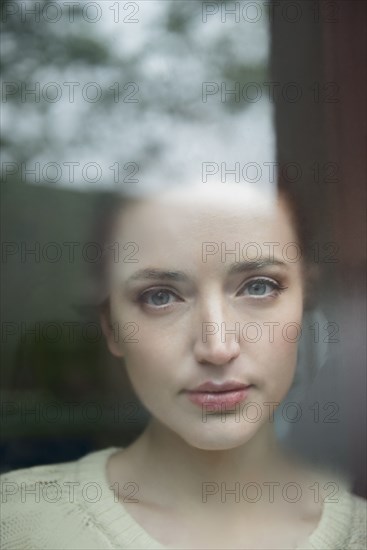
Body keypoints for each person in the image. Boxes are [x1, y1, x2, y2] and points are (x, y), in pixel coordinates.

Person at [1, 180, 366, 549]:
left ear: (305, 304)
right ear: (111, 327)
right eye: (160, 297)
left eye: (259, 287)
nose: (217, 348)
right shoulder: (15, 523)